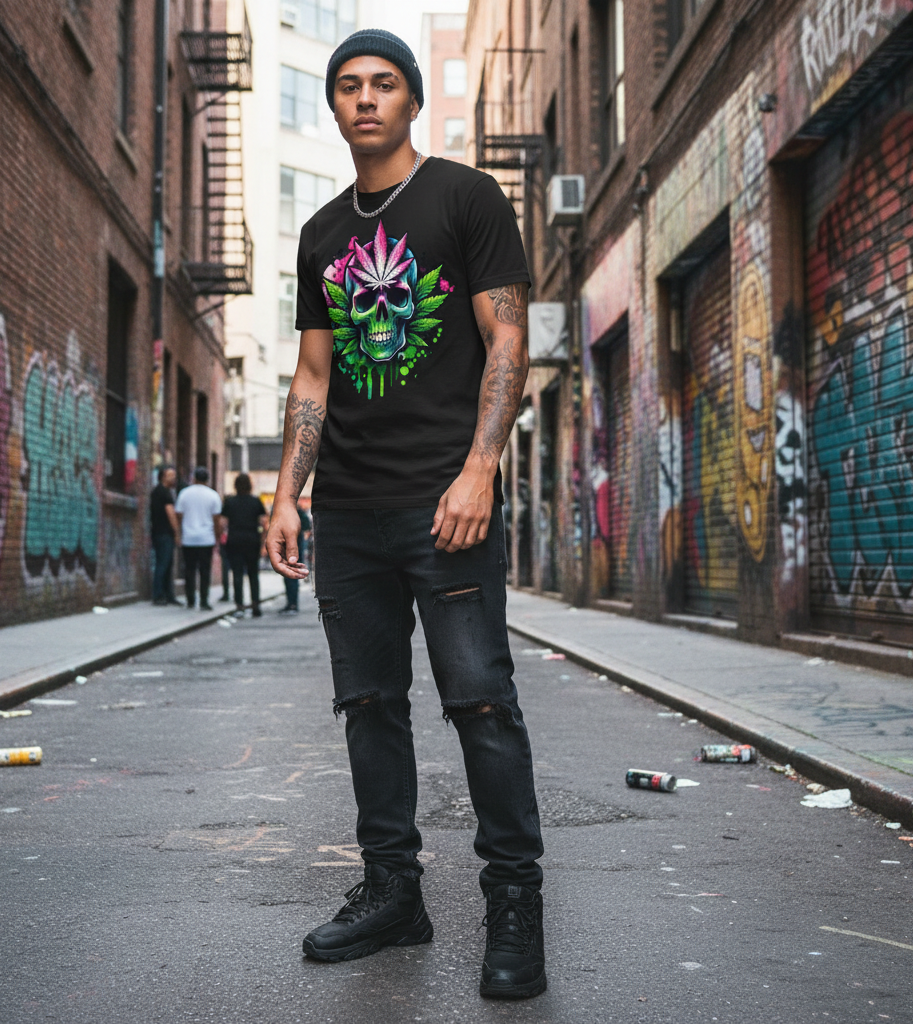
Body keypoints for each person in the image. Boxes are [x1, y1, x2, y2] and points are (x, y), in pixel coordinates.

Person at [265, 29, 545, 1001]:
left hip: (447, 506)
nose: (364, 99)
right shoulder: (320, 235)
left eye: (383, 83)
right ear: (335, 105)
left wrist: (479, 471)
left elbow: (506, 341)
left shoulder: (467, 199)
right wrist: (285, 494)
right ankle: (394, 893)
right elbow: (313, 372)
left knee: (480, 702)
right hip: (348, 513)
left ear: (411, 99)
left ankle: (515, 903)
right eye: (347, 86)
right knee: (369, 707)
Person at [174, 466, 222, 610]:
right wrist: (217, 538)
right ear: (207, 479)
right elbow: (216, 520)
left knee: (189, 570)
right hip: (206, 539)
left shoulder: (184, 494)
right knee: (204, 571)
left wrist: (178, 535)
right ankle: (204, 600)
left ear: (194, 478)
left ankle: (190, 600)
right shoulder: (213, 495)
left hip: (188, 538)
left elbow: (179, 516)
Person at [221, 473, 268, 617]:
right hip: (252, 540)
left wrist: (220, 538)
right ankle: (255, 605)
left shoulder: (230, 502)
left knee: (237, 573)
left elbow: (223, 524)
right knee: (253, 574)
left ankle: (239, 606)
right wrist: (263, 543)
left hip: (235, 540)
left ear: (235, 485)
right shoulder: (256, 502)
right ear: (250, 485)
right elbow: (264, 524)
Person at [149, 466, 182, 606]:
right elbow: (171, 514)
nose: (174, 478)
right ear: (163, 477)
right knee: (163, 564)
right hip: (164, 533)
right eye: (170, 475)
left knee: (166, 564)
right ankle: (159, 595)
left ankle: (168, 595)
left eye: (174, 475)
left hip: (158, 532)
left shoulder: (157, 491)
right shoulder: (164, 493)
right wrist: (177, 533)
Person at [280, 502, 311, 614]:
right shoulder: (299, 512)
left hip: (292, 547)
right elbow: (307, 525)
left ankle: (292, 604)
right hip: (295, 546)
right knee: (290, 576)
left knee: (290, 576)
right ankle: (291, 603)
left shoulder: (284, 512)